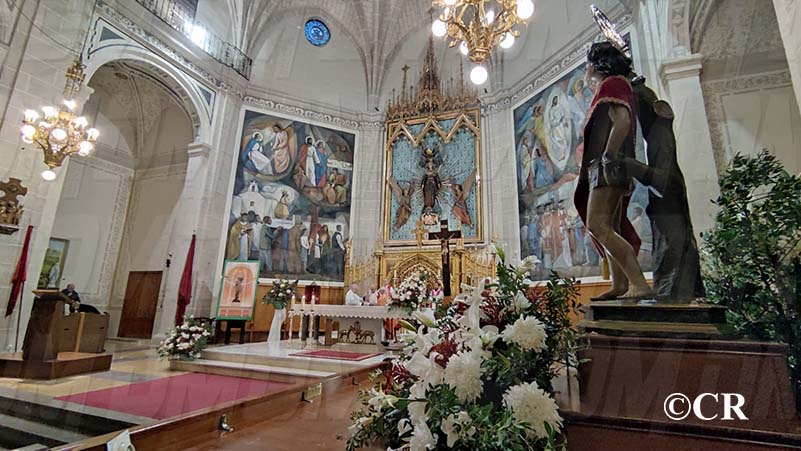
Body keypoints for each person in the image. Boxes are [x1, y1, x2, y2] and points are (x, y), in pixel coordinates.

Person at [574, 41, 652, 299]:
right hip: (610, 167)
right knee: (612, 227)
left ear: (597, 65)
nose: (586, 69)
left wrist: (608, 155)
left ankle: (638, 282)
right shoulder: (614, 85)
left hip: (609, 167)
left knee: (597, 224)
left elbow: (622, 120)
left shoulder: (612, 84)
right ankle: (621, 285)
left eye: (588, 64)